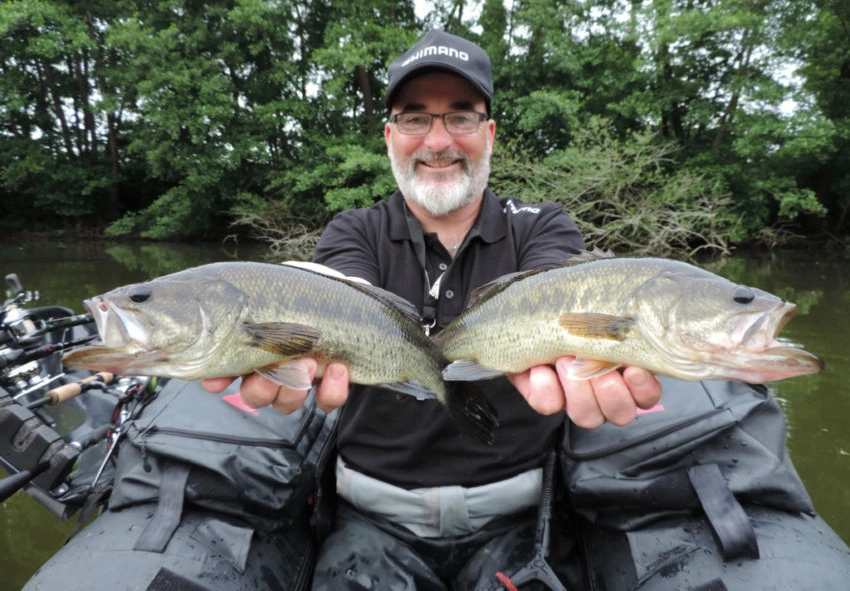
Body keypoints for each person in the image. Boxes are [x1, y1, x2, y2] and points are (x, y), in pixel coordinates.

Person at [203, 29, 663, 589]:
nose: (438, 140)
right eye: (415, 118)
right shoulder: (356, 230)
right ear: (390, 136)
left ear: (489, 132)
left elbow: (561, 292)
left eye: (461, 117)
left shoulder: (541, 226)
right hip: (368, 522)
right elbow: (342, 289)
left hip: (520, 518)